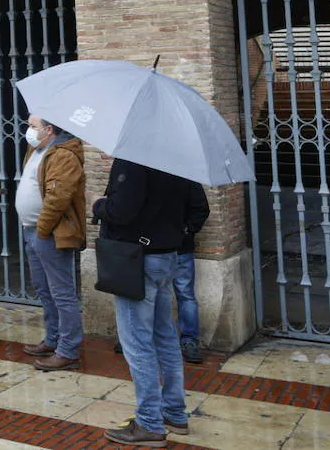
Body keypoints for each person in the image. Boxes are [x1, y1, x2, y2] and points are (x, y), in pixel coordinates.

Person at [93, 158, 201, 447]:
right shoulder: (176, 159)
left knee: (138, 343)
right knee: (164, 336)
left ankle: (150, 423)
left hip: (138, 260)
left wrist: (99, 204)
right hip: (166, 255)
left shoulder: (134, 160)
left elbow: (121, 211)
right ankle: (174, 413)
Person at [16, 114, 86, 368]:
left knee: (62, 293)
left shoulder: (64, 155)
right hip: (32, 230)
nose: (28, 130)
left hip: (50, 234)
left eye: (33, 126)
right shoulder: (36, 150)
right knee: (44, 289)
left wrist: (42, 230)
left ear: (49, 129)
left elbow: (58, 198)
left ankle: (68, 350)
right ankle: (53, 338)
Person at [173, 183, 210, 364]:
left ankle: (189, 341)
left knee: (185, 293)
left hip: (179, 247)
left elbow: (201, 208)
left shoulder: (185, 176)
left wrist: (187, 230)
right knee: (151, 294)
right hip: (153, 247)